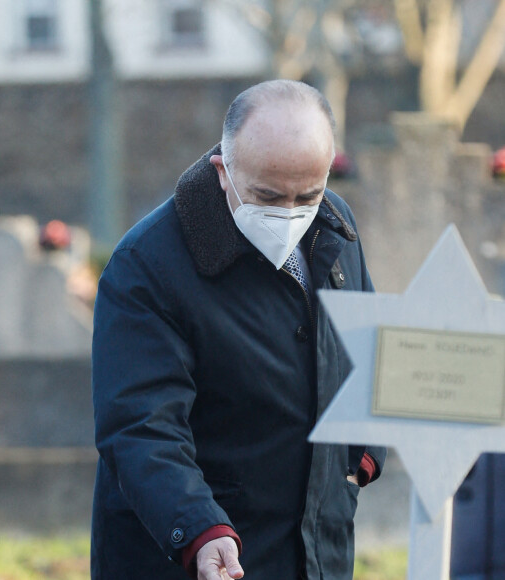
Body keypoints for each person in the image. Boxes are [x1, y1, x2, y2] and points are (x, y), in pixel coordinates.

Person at [91, 80, 386, 580]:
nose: (290, 213)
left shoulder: (335, 227)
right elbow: (142, 424)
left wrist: (364, 454)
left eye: (307, 194)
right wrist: (199, 530)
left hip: (315, 548)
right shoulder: (148, 265)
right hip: (197, 553)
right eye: (268, 195)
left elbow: (365, 347)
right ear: (223, 171)